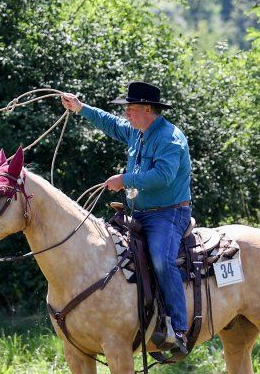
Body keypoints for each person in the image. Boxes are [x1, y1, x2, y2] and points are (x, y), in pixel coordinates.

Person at [60, 82, 193, 354]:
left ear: (147, 109)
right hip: (141, 213)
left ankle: (179, 330)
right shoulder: (137, 131)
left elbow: (164, 176)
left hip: (168, 214)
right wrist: (81, 108)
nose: (127, 114)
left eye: (131, 108)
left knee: (161, 259)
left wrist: (124, 180)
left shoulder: (169, 138)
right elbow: (110, 123)